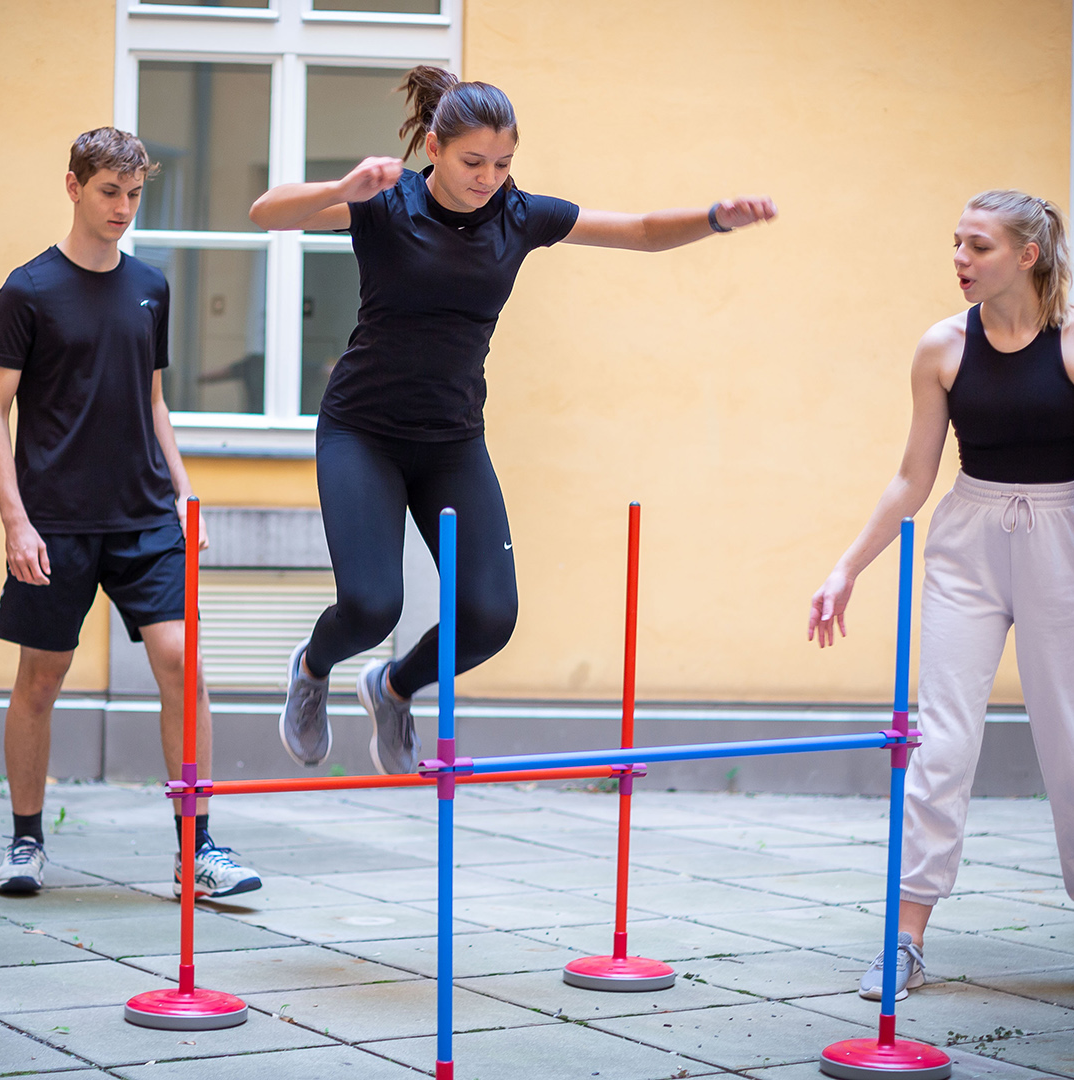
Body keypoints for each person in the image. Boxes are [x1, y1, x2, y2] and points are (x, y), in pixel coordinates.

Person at [256, 66, 778, 774]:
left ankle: (393, 686)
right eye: (473, 162)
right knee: (373, 606)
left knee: (490, 620)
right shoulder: (386, 204)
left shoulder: (519, 214)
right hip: (363, 432)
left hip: (450, 440)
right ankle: (313, 670)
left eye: (503, 163)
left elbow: (644, 232)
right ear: (434, 148)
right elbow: (266, 213)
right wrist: (340, 190)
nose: (488, 177)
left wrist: (715, 218)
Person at [807, 190, 1074, 1003]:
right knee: (942, 746)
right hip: (969, 540)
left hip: (1063, 542)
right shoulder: (941, 348)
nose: (959, 259)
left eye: (977, 246)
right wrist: (845, 568)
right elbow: (912, 478)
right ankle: (905, 941)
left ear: (1026, 256)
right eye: (955, 244)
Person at [0, 128, 260, 900]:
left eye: (135, 196)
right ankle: (27, 840)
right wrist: (15, 521)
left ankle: (196, 849)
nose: (124, 209)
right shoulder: (26, 290)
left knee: (184, 664)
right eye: (110, 192)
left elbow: (155, 400)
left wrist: (183, 485)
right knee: (42, 677)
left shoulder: (151, 287)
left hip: (143, 516)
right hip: (55, 522)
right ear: (73, 186)